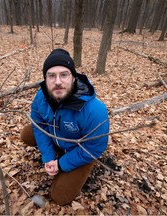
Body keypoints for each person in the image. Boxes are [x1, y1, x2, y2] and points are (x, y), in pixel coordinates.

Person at [20, 48, 109, 206]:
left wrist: (61, 163)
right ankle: (57, 150)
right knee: (27, 134)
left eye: (64, 74)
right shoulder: (41, 97)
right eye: (51, 76)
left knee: (60, 197)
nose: (58, 81)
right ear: (45, 79)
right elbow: (38, 124)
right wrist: (48, 156)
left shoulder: (95, 110)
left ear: (74, 78)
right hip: (58, 136)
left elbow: (94, 148)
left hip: (80, 149)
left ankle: (73, 161)